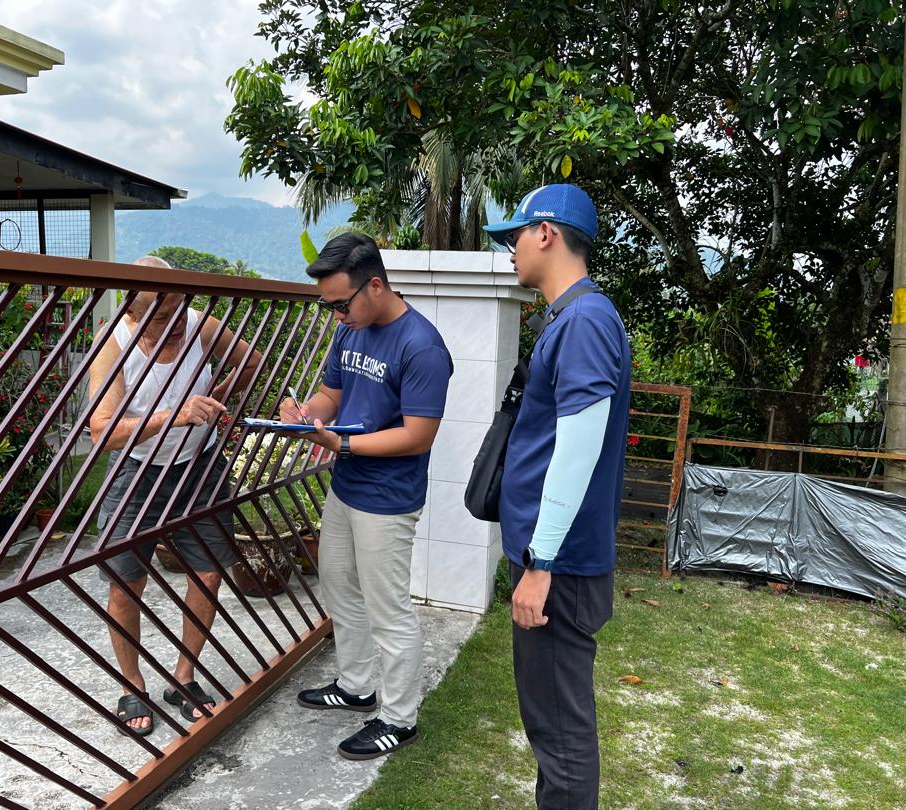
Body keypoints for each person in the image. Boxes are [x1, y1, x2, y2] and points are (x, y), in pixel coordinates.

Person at [483, 184, 631, 808]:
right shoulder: (571, 318)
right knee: (550, 722)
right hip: (553, 560)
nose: (511, 251)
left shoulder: (586, 320)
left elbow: (578, 451)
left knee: (561, 731)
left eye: (515, 236)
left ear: (545, 233)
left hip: (559, 568)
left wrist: (540, 564)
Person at [278, 233, 452, 760]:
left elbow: (418, 435)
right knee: (337, 584)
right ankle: (356, 687)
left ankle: (399, 719)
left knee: (388, 608)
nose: (336, 315)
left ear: (375, 285)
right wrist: (307, 415)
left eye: (340, 304)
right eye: (328, 306)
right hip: (347, 485)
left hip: (389, 496)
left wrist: (343, 444)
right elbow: (331, 395)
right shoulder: (349, 331)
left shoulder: (421, 346)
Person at [88, 256, 259, 737]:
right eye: (163, 318)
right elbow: (101, 431)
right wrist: (174, 414)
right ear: (134, 313)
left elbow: (252, 361)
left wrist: (216, 396)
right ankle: (132, 686)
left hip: (199, 467)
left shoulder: (201, 325)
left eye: (181, 310)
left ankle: (183, 678)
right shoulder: (114, 344)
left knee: (208, 574)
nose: (177, 324)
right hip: (135, 472)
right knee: (125, 584)